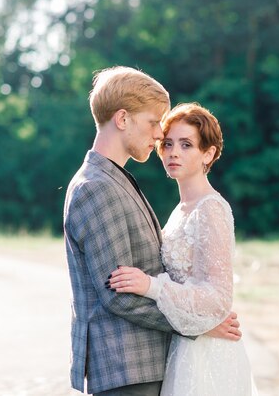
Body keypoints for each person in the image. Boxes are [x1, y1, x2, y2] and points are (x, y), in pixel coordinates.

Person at [63, 66, 241, 396]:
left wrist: (197, 317)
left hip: (151, 363)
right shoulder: (96, 187)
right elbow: (118, 296)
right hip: (125, 365)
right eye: (153, 122)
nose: (160, 135)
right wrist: (200, 327)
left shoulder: (118, 179)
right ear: (122, 119)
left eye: (184, 143)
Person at [109, 103, 259, 395]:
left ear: (208, 153)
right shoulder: (180, 211)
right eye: (168, 144)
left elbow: (218, 299)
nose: (173, 152)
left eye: (186, 144)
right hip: (186, 344)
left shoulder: (211, 209)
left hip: (209, 356)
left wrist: (150, 286)